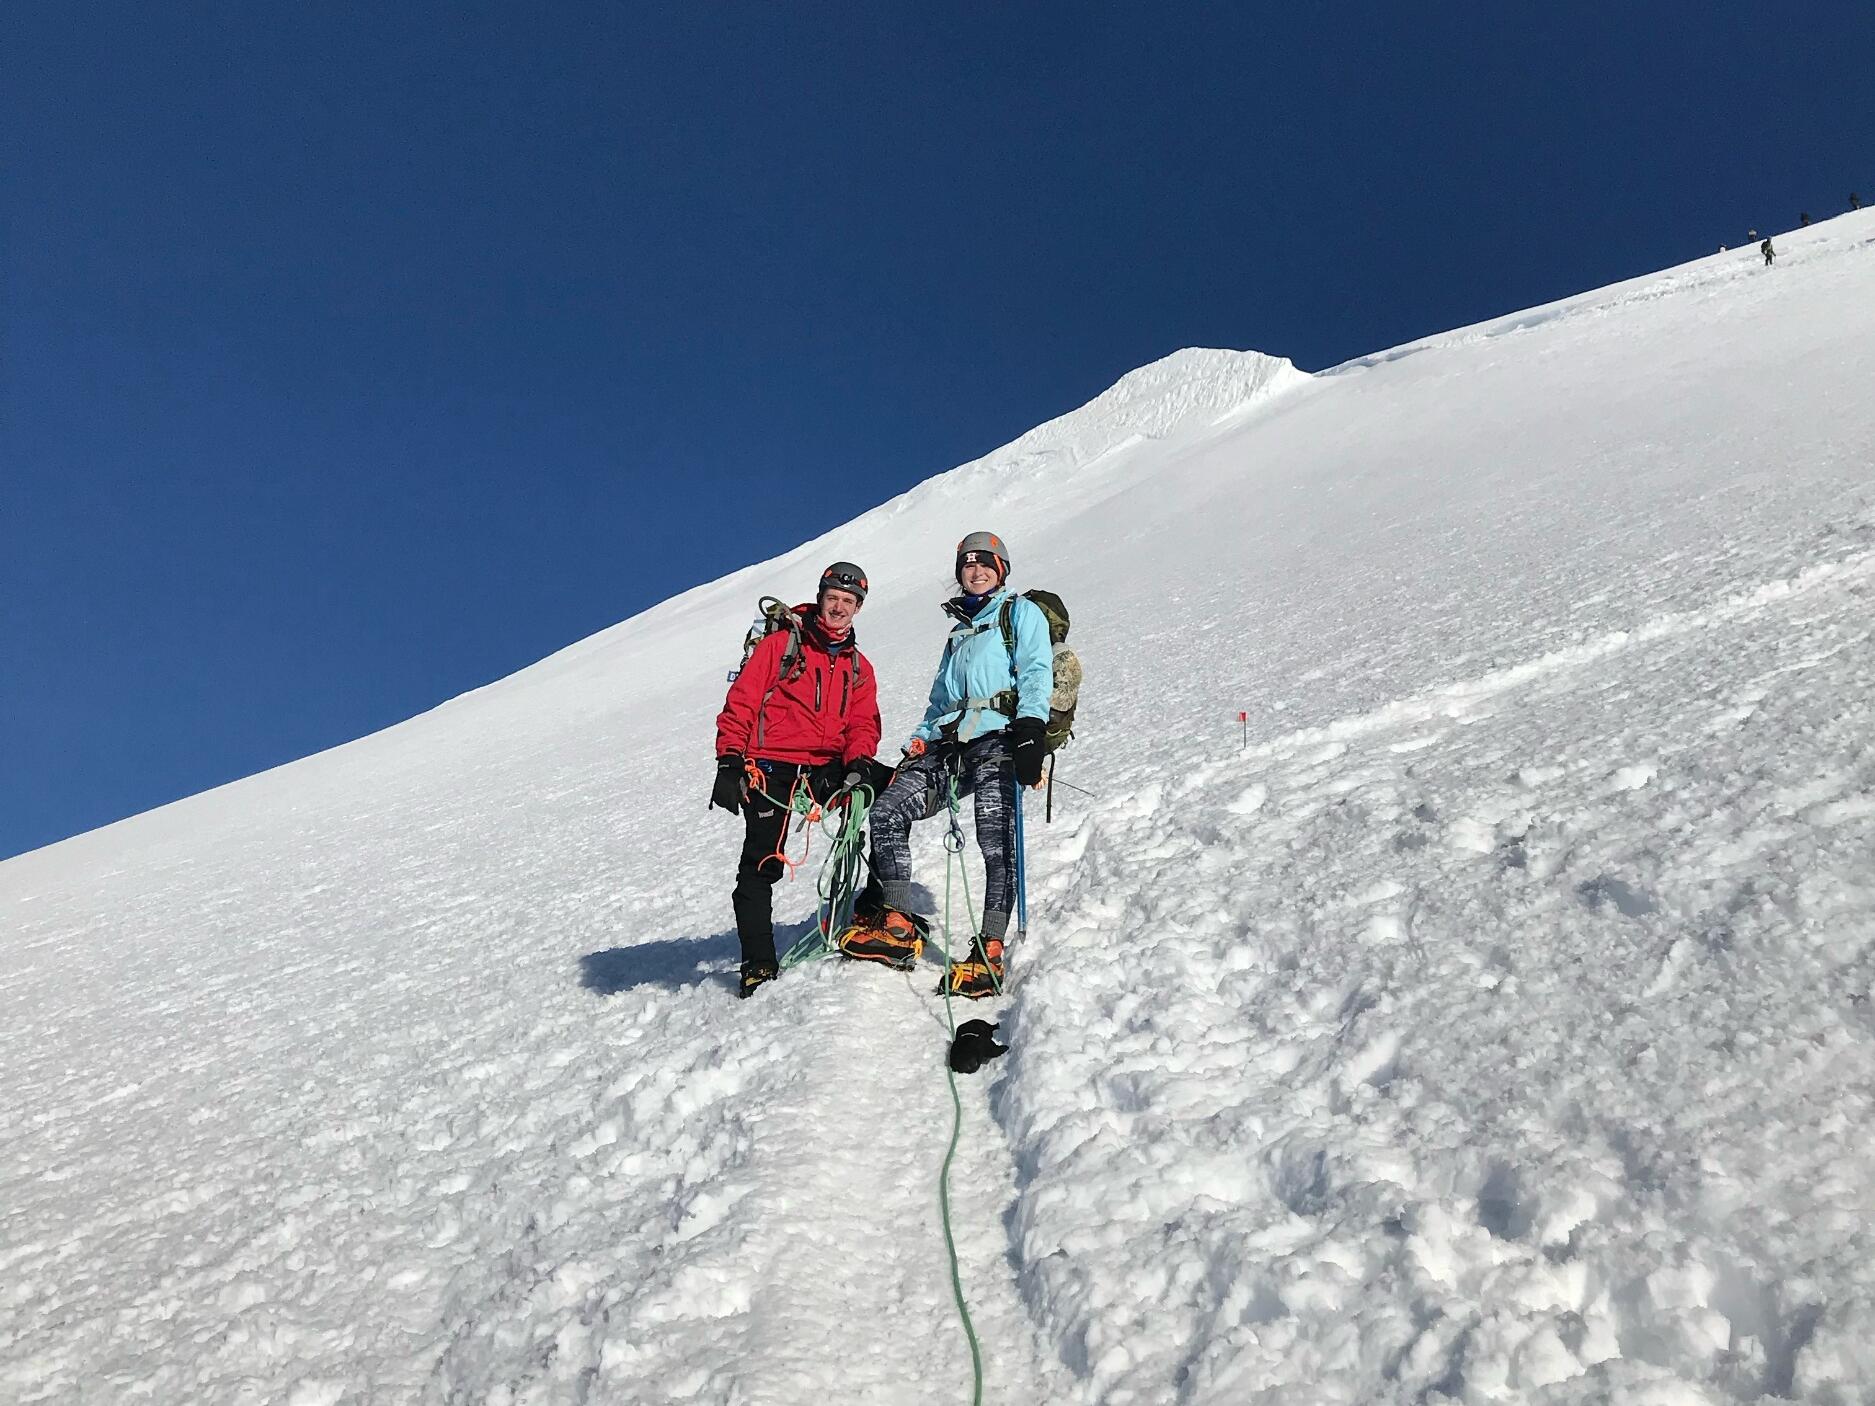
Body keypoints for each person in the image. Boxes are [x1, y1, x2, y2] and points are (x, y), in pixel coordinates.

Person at [838, 531, 1053, 998]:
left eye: (986, 565)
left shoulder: (1020, 614)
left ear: (1002, 570)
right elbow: (939, 700)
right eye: (968, 566)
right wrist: (919, 740)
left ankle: (990, 947)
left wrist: (1032, 729)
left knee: (995, 839)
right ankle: (896, 922)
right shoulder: (957, 631)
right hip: (949, 745)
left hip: (1000, 737)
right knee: (887, 811)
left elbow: (1037, 671)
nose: (976, 573)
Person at [713, 562, 881, 997]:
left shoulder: (858, 666)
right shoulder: (779, 646)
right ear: (821, 598)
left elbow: (863, 723)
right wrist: (730, 761)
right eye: (833, 598)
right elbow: (743, 703)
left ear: (858, 608)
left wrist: (860, 762)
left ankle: (879, 912)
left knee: (894, 796)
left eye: (849, 601)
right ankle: (758, 963)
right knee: (762, 860)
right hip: (772, 765)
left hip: (828, 766)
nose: (839, 607)